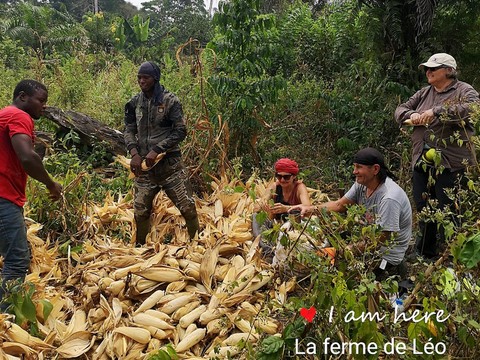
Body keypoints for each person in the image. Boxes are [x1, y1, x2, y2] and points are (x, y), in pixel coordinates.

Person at [394, 53, 479, 260]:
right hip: (422, 159)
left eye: (434, 68)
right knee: (424, 207)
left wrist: (437, 111)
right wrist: (411, 115)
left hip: (451, 163)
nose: (428, 72)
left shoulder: (463, 90)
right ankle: (425, 254)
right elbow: (400, 109)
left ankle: (453, 258)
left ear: (449, 70)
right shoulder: (424, 93)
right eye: (427, 69)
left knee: (449, 210)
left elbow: (474, 108)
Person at [291, 148, 412, 280]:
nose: (354, 172)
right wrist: (310, 209)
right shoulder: (362, 184)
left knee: (340, 275)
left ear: (375, 169)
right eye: (354, 167)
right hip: (365, 240)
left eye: (359, 167)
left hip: (384, 255)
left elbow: (380, 239)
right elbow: (340, 205)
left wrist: (344, 251)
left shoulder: (389, 198)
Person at [0, 79, 62, 308]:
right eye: (41, 100)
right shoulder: (18, 116)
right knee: (17, 260)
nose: (44, 106)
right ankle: (5, 321)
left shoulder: (4, 114)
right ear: (23, 97)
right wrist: (51, 184)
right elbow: (27, 157)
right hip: (3, 197)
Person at [124, 61, 199, 245]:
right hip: (144, 169)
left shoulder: (170, 101)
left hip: (170, 167)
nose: (141, 81)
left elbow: (180, 131)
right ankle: (141, 247)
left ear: (155, 79)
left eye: (146, 77)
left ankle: (197, 245)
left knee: (187, 208)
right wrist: (134, 152)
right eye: (139, 77)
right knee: (140, 212)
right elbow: (129, 129)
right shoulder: (134, 102)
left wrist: (157, 149)